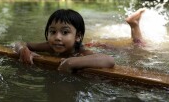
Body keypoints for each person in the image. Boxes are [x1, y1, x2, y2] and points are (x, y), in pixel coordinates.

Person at [13, 8, 145, 73]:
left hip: (101, 45)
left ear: (78, 36)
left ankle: (134, 25)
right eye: (52, 32)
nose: (57, 37)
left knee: (137, 47)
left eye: (65, 32)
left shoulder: (82, 52)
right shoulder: (49, 46)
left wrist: (72, 62)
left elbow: (109, 60)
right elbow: (18, 43)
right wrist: (22, 50)